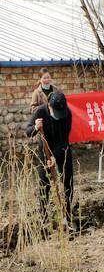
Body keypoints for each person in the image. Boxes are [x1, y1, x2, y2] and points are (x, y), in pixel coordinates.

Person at [26, 92, 73, 224]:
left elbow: (65, 139)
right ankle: (44, 216)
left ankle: (67, 215)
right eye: (55, 111)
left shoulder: (67, 113)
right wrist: (36, 127)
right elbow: (28, 131)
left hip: (62, 149)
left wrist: (55, 156)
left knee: (68, 180)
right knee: (44, 183)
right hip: (44, 150)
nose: (58, 115)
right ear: (49, 105)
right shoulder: (40, 112)